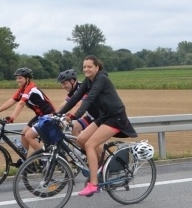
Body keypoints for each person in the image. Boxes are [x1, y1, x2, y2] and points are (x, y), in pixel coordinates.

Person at [56, 55, 138, 197]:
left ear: (97, 67)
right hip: (104, 116)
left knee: (90, 145)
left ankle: (94, 184)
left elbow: (89, 100)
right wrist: (57, 114)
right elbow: (75, 98)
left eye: (89, 67)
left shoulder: (101, 79)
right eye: (84, 67)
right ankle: (101, 167)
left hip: (115, 117)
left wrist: (72, 117)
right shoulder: (89, 81)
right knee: (81, 139)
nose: (86, 69)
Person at [0, 68, 56, 154]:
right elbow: (12, 100)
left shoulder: (31, 88)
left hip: (48, 116)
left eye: (20, 78)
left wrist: (12, 118)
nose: (18, 80)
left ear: (27, 78)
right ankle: (24, 162)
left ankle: (45, 159)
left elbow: (21, 103)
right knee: (23, 135)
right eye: (17, 78)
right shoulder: (23, 89)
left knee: (28, 136)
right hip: (40, 116)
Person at [55, 69, 97, 137]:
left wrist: (70, 116)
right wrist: (54, 114)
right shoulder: (72, 91)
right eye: (62, 84)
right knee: (74, 129)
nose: (63, 87)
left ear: (72, 81)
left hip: (98, 117)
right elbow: (65, 103)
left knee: (88, 141)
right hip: (90, 116)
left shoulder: (82, 87)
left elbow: (79, 104)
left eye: (64, 83)